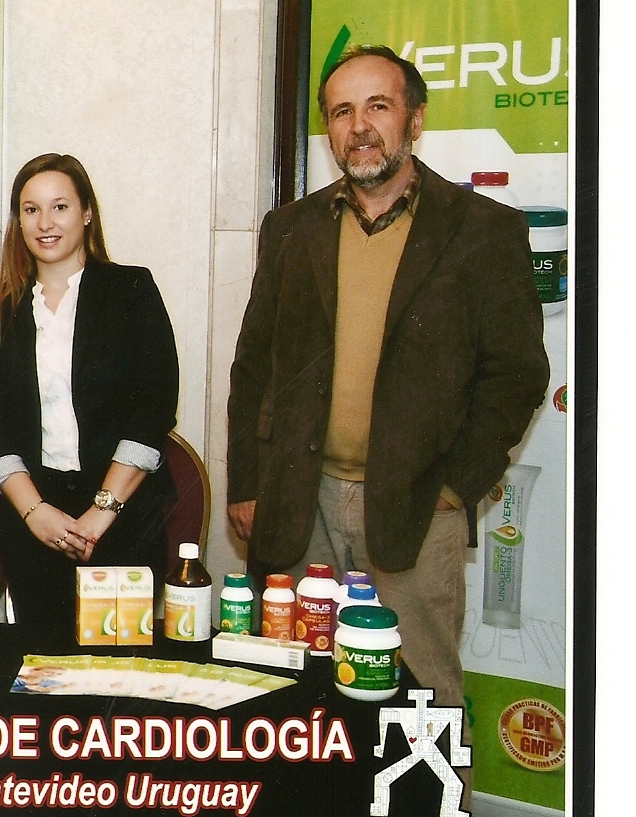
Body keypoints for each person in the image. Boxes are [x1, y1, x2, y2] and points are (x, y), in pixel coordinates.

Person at [225, 45, 548, 718]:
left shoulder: (484, 230)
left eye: (378, 106)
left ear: (415, 119)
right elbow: (254, 364)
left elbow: (516, 375)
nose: (360, 126)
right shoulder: (290, 229)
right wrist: (249, 484)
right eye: (342, 111)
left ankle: (428, 794)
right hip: (299, 500)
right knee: (295, 696)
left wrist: (456, 485)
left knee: (421, 699)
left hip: (417, 507)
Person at [0, 153, 179, 639]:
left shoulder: (132, 289)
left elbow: (154, 406)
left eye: (59, 207)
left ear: (86, 213)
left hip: (123, 515)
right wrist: (34, 512)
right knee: (43, 664)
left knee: (118, 665)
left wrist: (102, 512)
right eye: (31, 210)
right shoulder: (1, 306)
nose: (45, 223)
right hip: (34, 518)